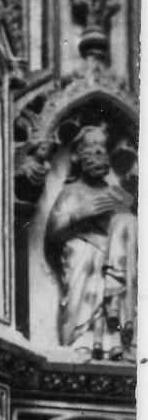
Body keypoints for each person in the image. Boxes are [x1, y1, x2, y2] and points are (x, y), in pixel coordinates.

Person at [43, 116, 137, 360]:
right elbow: (52, 235)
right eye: (90, 148)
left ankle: (116, 343)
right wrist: (79, 214)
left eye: (102, 148)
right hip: (81, 258)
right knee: (85, 271)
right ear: (77, 156)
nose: (98, 152)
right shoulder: (70, 193)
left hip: (112, 266)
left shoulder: (116, 195)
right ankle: (81, 339)